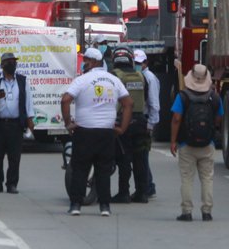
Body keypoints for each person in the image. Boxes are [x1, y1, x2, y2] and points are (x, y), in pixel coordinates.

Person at [61, 47, 132, 217]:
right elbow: (128, 103)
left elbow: (65, 100)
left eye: (85, 60)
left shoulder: (82, 80)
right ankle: (105, 206)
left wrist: (68, 123)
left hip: (84, 130)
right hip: (106, 132)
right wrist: (122, 128)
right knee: (103, 169)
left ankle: (76, 204)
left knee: (79, 168)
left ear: (92, 62)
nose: (83, 63)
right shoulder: (113, 80)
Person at [170, 62, 222, 222]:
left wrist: (173, 141)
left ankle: (187, 211)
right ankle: (207, 211)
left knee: (187, 178)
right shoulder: (215, 97)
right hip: (207, 144)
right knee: (207, 178)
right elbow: (219, 119)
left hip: (186, 144)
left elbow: (176, 119)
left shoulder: (182, 96)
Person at [0, 52, 35, 194]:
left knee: (14, 156)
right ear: (2, 65)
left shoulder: (23, 80)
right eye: (9, 62)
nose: (12, 64)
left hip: (16, 124)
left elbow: (28, 101)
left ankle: (12, 184)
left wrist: (30, 120)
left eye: (14, 62)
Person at [110, 47, 150, 204]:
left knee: (123, 159)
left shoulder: (114, 76)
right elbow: (145, 97)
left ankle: (123, 193)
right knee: (140, 159)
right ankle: (142, 193)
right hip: (140, 121)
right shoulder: (141, 76)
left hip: (123, 121)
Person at [134, 49, 160, 199]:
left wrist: (151, 124)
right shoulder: (137, 77)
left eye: (140, 63)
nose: (138, 65)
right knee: (140, 156)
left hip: (145, 119)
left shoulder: (149, 78)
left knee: (142, 156)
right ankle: (148, 184)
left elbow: (154, 104)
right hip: (139, 119)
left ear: (145, 63)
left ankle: (148, 186)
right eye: (135, 63)